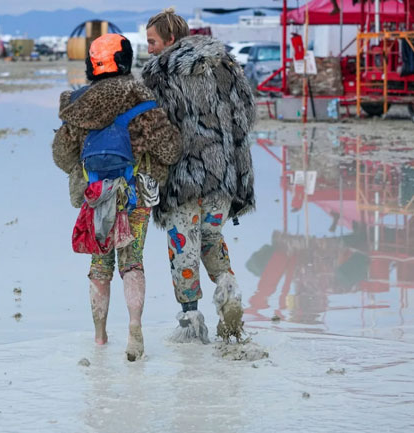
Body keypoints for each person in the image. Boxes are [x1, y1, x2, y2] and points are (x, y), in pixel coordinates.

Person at [52, 33, 181, 361]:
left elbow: (62, 154)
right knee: (132, 261)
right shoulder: (141, 98)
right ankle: (135, 328)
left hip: (94, 195)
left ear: (91, 64)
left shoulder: (78, 103)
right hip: (135, 194)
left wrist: (86, 175)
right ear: (124, 61)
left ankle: (99, 337)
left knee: (99, 264)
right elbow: (170, 147)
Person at [141, 9, 256, 342]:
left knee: (183, 247)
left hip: (182, 179)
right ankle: (228, 289)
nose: (148, 48)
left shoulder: (159, 73)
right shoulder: (227, 66)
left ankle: (191, 320)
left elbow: (153, 131)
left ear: (170, 40)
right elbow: (246, 116)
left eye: (152, 41)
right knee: (211, 239)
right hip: (223, 175)